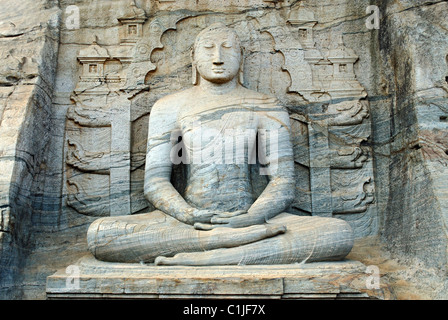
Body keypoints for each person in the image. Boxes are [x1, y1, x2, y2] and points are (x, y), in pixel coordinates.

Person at [86, 24, 354, 265]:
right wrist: (188, 214)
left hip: (252, 218)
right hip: (188, 224)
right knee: (100, 235)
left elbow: (282, 182)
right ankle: (229, 246)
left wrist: (252, 217)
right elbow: (155, 183)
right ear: (193, 57)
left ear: (242, 57)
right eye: (208, 49)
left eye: (228, 48)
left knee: (338, 234)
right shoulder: (169, 107)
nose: (218, 57)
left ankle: (215, 251)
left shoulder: (265, 106)